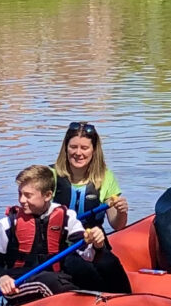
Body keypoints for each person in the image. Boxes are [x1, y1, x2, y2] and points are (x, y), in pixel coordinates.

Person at [52, 120, 133, 293]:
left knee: (111, 266)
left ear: (94, 150)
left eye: (84, 148)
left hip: (94, 243)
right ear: (65, 148)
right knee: (81, 269)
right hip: (60, 247)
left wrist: (121, 211)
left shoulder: (105, 177)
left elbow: (117, 224)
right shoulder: (50, 176)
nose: (78, 153)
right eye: (73, 147)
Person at [0, 165, 86, 302]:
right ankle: (76, 303)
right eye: (20, 194)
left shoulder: (67, 217)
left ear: (47, 195)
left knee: (96, 266)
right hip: (19, 283)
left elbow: (86, 252)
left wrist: (96, 243)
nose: (21, 200)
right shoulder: (7, 224)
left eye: (28, 195)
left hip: (58, 278)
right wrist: (2, 278)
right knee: (47, 281)